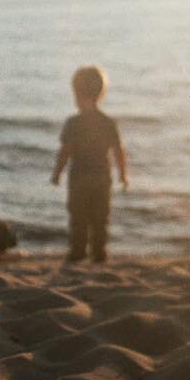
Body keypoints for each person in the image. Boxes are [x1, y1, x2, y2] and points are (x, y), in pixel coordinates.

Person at [51, 65, 128, 263]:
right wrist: (122, 174)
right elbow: (118, 150)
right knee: (100, 216)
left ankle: (78, 252)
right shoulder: (108, 122)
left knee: (78, 216)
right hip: (102, 177)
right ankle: (98, 252)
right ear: (100, 94)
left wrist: (57, 173)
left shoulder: (73, 123)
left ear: (76, 93)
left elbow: (65, 151)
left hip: (79, 177)